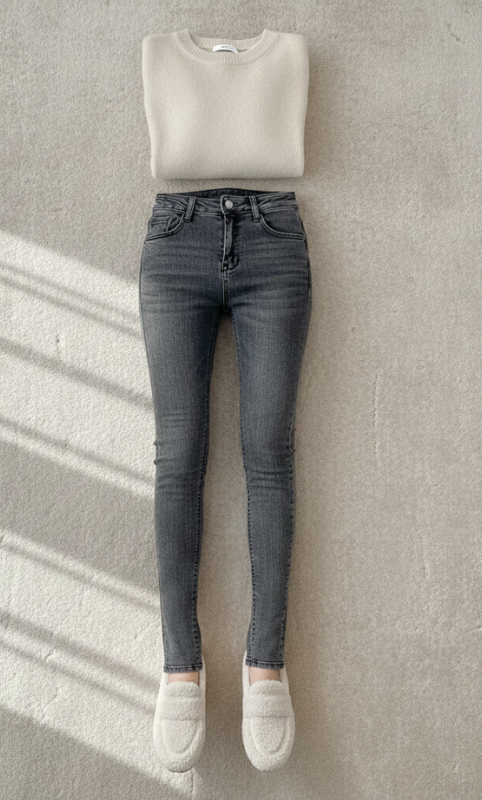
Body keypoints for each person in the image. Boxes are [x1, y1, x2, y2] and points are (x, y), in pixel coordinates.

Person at [139, 187, 312, 771]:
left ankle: (266, 659)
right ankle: (179, 661)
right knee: (178, 455)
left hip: (274, 234)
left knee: (268, 452)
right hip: (176, 232)